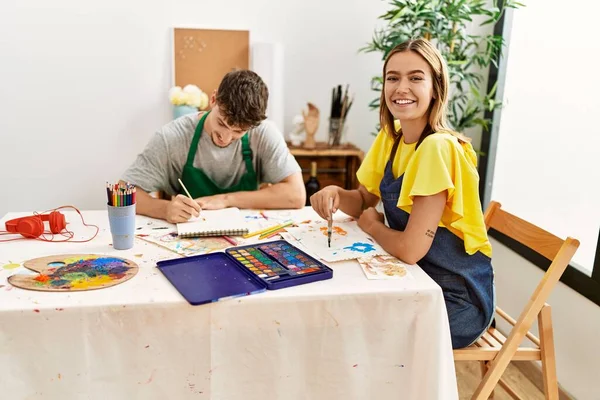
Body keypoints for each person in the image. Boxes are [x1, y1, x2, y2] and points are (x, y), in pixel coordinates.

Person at [310, 38, 495, 349]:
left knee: (355, 331)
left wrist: (372, 226)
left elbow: (410, 249)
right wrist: (337, 194)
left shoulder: (438, 148)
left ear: (436, 87)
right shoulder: (391, 137)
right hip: (415, 279)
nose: (401, 87)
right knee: (337, 314)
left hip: (455, 300)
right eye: (392, 77)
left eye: (416, 78)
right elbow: (364, 201)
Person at [121, 70, 305, 223]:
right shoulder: (172, 138)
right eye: (222, 123)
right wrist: (165, 209)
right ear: (213, 99)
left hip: (247, 237)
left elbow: (296, 195)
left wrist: (226, 200)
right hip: (188, 241)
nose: (225, 137)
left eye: (238, 132)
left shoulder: (264, 133)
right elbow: (123, 193)